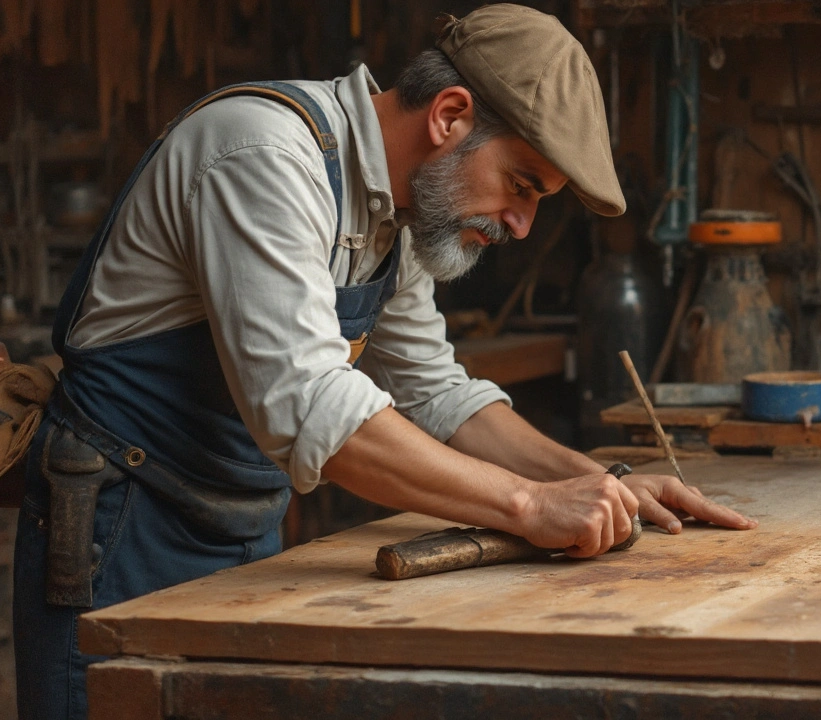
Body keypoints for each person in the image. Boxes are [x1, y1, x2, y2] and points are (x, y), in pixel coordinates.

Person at [13, 5, 756, 718]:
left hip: (238, 520)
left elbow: (435, 392)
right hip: (119, 523)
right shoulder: (265, 155)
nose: (522, 226)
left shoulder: (394, 211)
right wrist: (529, 506)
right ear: (449, 116)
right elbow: (308, 402)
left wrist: (592, 481)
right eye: (521, 186)